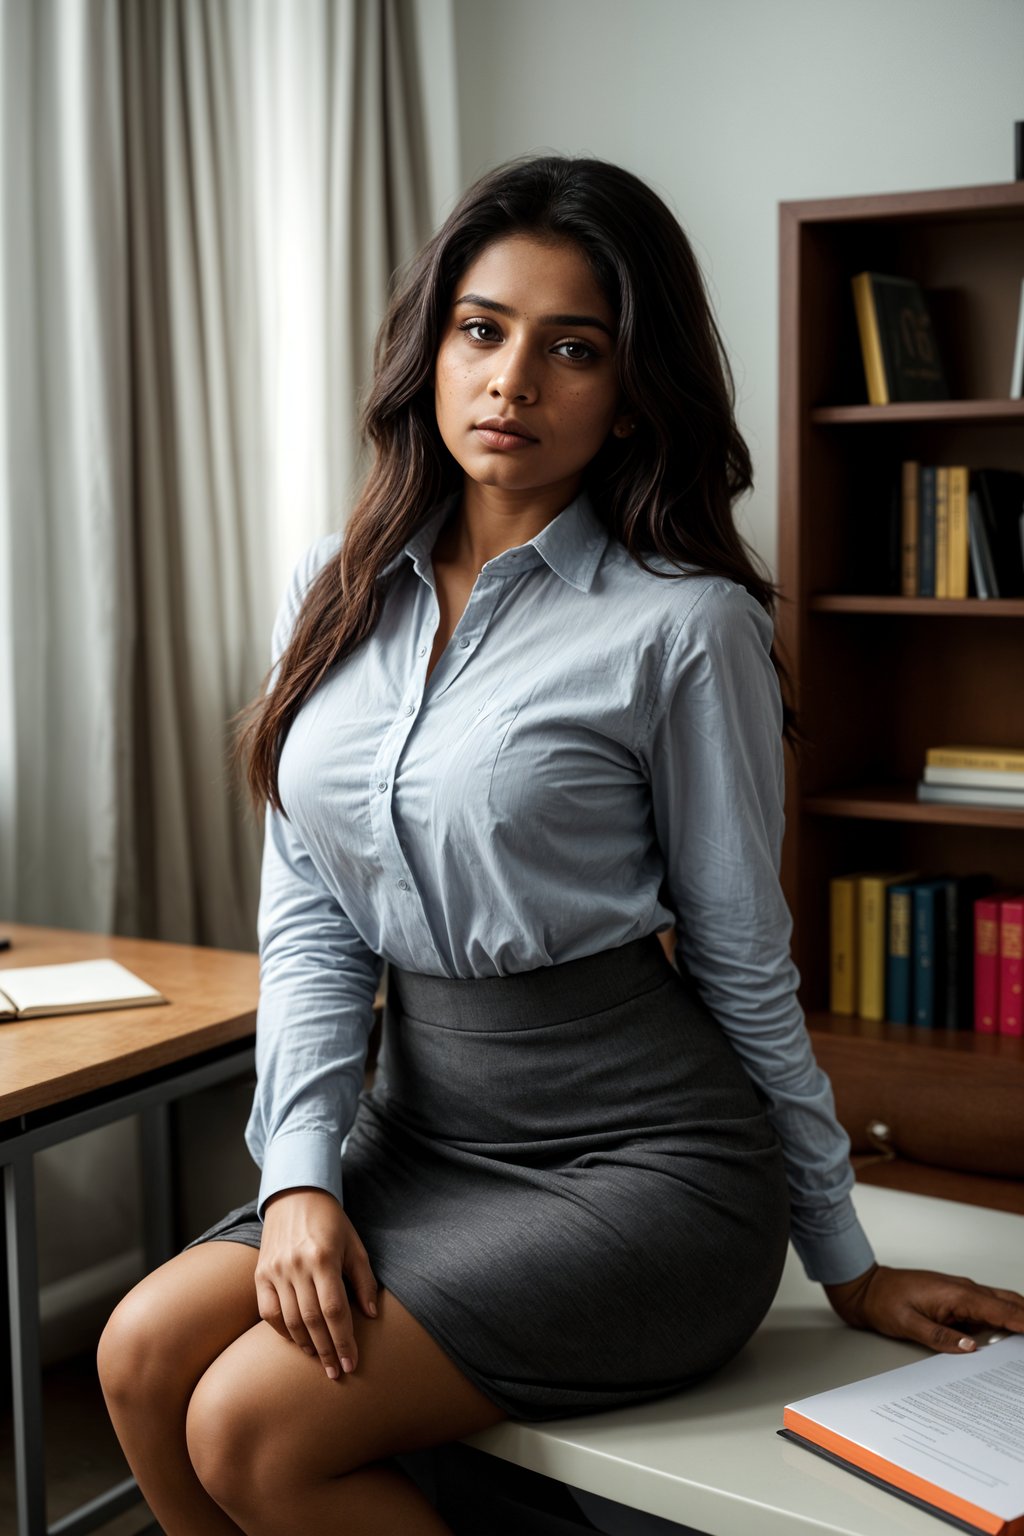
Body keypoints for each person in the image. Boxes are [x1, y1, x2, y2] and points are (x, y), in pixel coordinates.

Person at [98, 155, 1024, 1536]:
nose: (512, 382)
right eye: (482, 330)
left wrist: (842, 1259)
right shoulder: (329, 586)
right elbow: (310, 922)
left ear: (632, 388)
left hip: (643, 1165)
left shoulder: (683, 624)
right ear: (432, 346)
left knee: (252, 1424)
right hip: (418, 1131)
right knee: (139, 1357)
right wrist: (298, 1176)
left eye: (571, 347)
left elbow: (742, 959)